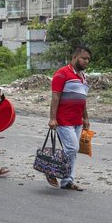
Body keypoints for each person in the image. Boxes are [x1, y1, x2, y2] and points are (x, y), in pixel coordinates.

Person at [47, 45, 91, 191]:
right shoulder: (61, 73)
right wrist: (52, 118)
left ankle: (67, 181)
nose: (86, 62)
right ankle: (51, 169)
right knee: (72, 148)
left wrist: (85, 117)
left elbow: (82, 98)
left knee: (72, 152)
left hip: (77, 120)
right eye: (84, 58)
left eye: (88, 59)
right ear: (74, 57)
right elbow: (55, 97)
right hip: (64, 120)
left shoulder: (83, 77)